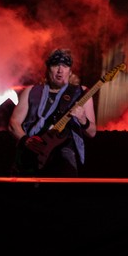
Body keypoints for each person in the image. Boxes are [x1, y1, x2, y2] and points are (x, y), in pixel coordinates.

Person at [8, 48, 96, 177]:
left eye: (65, 66)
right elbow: (13, 123)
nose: (60, 70)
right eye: (56, 65)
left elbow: (92, 132)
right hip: (31, 155)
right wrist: (26, 140)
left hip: (64, 157)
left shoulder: (82, 93)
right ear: (48, 69)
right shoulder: (31, 91)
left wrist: (83, 120)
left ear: (70, 71)